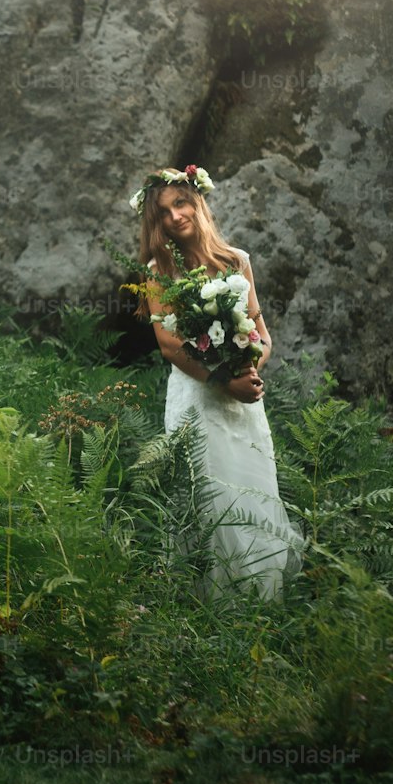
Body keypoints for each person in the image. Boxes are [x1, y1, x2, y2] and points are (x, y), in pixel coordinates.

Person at [131, 166, 304, 602]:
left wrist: (250, 365)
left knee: (249, 482)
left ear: (198, 203)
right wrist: (223, 380)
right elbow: (171, 347)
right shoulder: (159, 271)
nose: (174, 217)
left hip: (244, 397)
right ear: (156, 223)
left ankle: (258, 597)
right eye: (164, 212)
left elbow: (262, 335)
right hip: (198, 397)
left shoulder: (236, 261)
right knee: (203, 487)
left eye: (181, 203)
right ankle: (201, 600)